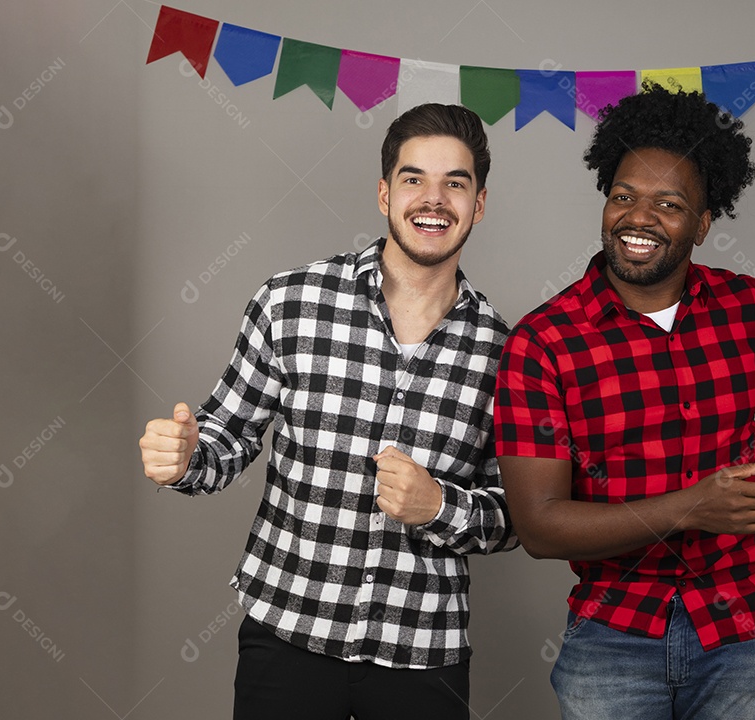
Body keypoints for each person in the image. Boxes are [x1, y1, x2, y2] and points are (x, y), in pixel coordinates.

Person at [494, 85, 755, 720]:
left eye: (668, 204)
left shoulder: (748, 308)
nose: (637, 218)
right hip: (613, 642)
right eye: (623, 197)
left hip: (747, 629)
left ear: (704, 223)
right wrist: (692, 507)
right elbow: (540, 526)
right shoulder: (543, 343)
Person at [138, 103, 516, 720]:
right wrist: (184, 459)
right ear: (383, 192)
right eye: (414, 178)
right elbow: (225, 438)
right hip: (286, 637)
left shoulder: (506, 352)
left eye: (456, 182)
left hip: (422, 652)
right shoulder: (291, 302)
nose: (433, 198)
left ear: (478, 205)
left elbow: (515, 515)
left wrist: (439, 508)